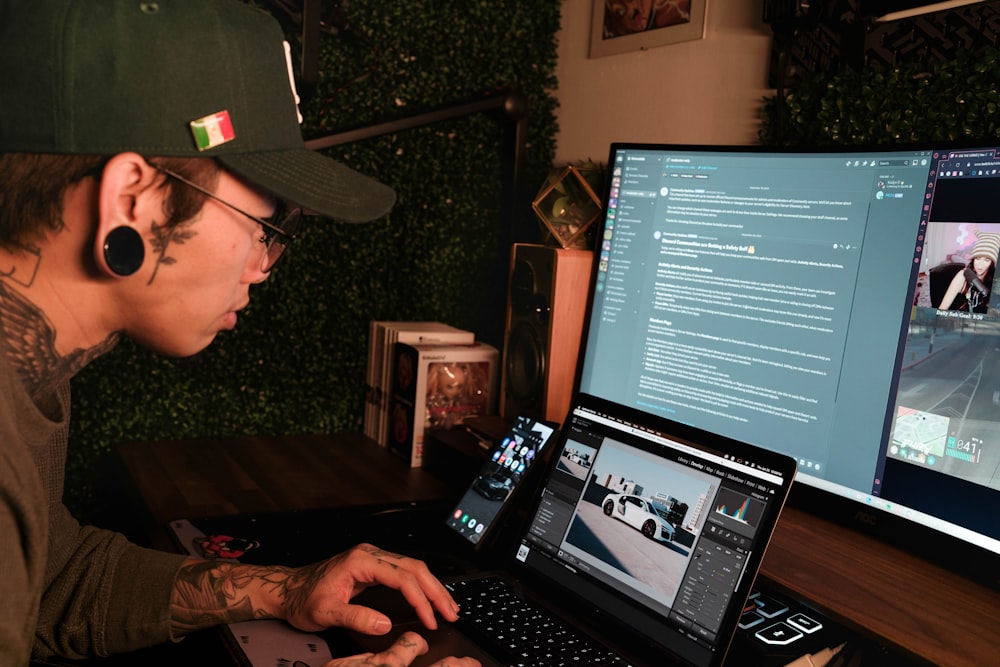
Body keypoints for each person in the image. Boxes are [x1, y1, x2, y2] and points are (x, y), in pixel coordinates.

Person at [0, 1, 480, 666]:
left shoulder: (31, 360)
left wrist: (284, 588)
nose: (263, 265)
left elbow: (56, 583)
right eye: (267, 224)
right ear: (132, 197)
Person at [937, 231, 999, 313]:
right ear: (973, 259)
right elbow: (942, 308)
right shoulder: (963, 276)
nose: (980, 265)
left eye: (987, 260)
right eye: (977, 258)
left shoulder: (995, 279)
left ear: (992, 263)